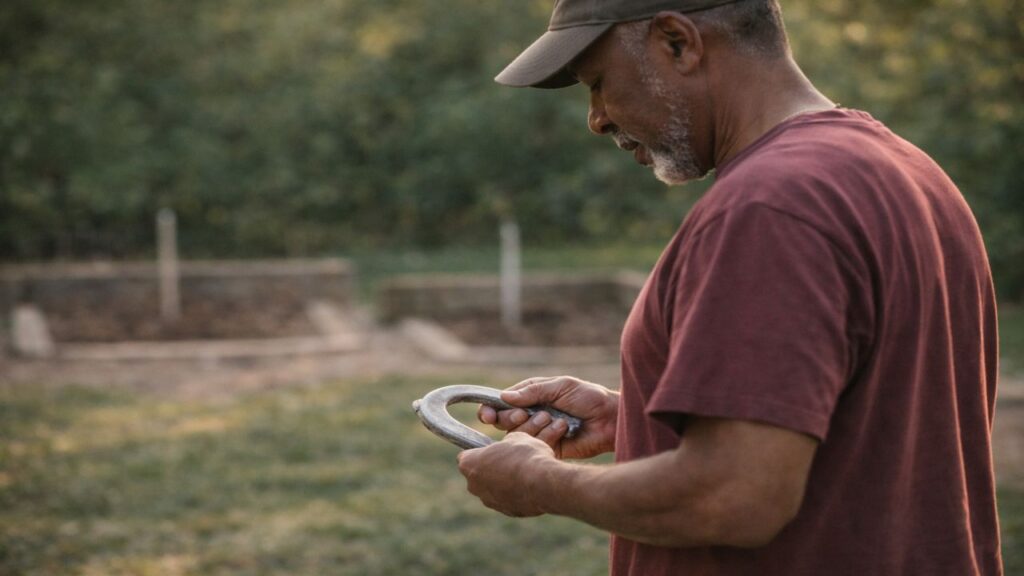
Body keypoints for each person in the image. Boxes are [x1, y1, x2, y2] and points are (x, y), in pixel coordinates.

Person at [455, 0, 1004, 574]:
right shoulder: (905, 170)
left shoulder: (768, 207)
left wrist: (539, 482)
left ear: (677, 42)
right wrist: (640, 421)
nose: (596, 118)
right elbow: (873, 417)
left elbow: (734, 498)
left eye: (598, 83)